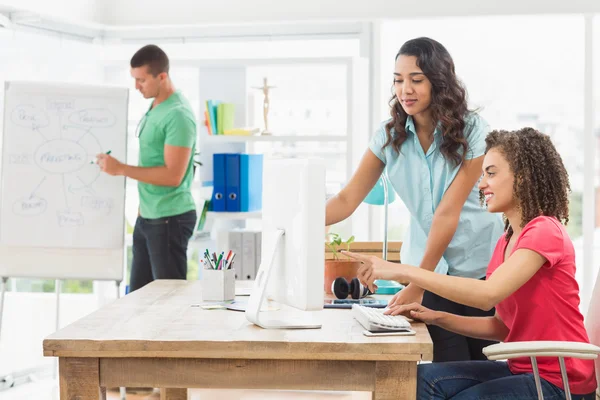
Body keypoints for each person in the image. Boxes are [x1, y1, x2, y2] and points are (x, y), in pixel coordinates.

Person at [344, 128, 597, 399]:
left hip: (559, 382)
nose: (481, 184)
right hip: (524, 370)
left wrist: (405, 271)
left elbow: (487, 295)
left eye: (491, 173)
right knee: (417, 381)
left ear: (522, 177)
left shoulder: (545, 231)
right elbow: (501, 326)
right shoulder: (506, 242)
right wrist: (436, 317)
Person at [325, 37, 504, 362]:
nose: (404, 89)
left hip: (480, 269)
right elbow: (347, 198)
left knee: (478, 370)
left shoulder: (474, 129)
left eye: (416, 80)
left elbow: (448, 212)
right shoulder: (388, 136)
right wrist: (298, 221)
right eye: (398, 79)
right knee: (444, 368)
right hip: (428, 266)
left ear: (439, 81)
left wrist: (419, 282)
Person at [97, 44, 197, 293]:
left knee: (168, 301)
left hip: (168, 220)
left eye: (141, 80)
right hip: (148, 218)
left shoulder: (178, 115)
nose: (136, 86)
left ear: (162, 77)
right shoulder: (156, 107)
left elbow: (173, 175)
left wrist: (121, 169)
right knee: (138, 300)